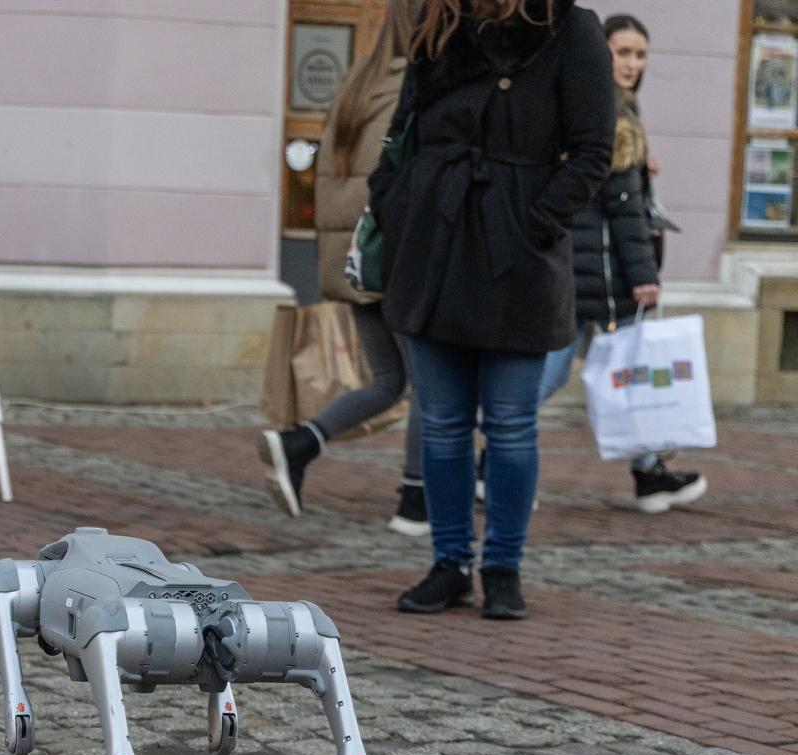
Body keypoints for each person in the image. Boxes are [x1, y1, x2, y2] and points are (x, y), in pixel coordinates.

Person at [371, 0, 614, 620]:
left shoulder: (566, 26)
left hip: (517, 257)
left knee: (510, 425)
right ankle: (450, 562)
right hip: (434, 243)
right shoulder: (438, 23)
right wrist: (396, 210)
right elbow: (403, 133)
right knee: (444, 424)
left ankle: (503, 567)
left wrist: (532, 224)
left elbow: (593, 149)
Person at [258, 0, 430, 536]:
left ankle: (298, 443)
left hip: (355, 259)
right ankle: (416, 501)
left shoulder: (358, 84)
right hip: (393, 257)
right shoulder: (414, 87)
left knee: (389, 381)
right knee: (426, 385)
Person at [539, 13, 708, 514]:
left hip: (584, 270)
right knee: (558, 378)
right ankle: (491, 463)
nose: (632, 64)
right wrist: (644, 278)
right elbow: (621, 208)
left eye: (640, 55)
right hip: (599, 275)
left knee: (625, 377)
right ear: (600, 53)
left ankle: (649, 474)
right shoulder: (608, 116)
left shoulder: (604, 108)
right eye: (622, 52)